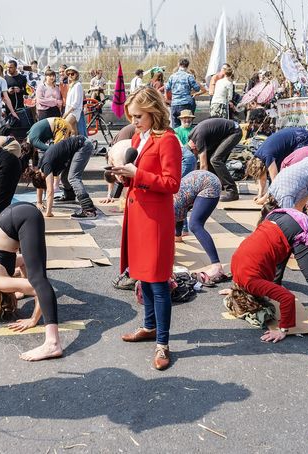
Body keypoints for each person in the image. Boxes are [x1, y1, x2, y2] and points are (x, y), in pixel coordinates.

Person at [110, 87, 182, 371]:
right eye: (132, 116)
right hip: (137, 212)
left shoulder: (169, 140)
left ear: (153, 111)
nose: (134, 121)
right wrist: (123, 176)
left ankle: (162, 343)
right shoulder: (139, 137)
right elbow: (136, 176)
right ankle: (150, 326)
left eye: (138, 116)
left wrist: (137, 174)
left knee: (158, 279)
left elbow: (172, 183)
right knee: (142, 276)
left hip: (155, 218)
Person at [221, 208, 308, 356]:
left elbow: (287, 298)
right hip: (277, 217)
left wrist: (283, 329)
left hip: (297, 227)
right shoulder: (236, 275)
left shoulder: (251, 283)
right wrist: (234, 290)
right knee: (275, 266)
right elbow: (252, 267)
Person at [0, 202, 63, 361]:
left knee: (38, 281)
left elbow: (38, 288)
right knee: (37, 276)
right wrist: (21, 287)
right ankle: (53, 342)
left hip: (24, 217)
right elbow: (24, 261)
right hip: (20, 211)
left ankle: (53, 343)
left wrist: (33, 319)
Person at [174, 170, 230, 286]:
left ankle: (216, 266)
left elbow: (177, 220)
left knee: (195, 225)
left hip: (208, 185)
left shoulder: (172, 205)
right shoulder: (172, 201)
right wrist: (177, 237)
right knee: (192, 223)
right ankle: (216, 264)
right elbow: (179, 220)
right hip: (203, 180)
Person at [29, 136, 96, 219]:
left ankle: (89, 210)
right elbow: (39, 185)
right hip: (76, 147)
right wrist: (39, 202)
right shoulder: (39, 170)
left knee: (73, 177)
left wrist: (48, 212)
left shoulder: (46, 166)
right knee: (64, 177)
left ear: (43, 179)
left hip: (83, 145)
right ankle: (69, 196)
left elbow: (50, 191)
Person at [246, 127, 308, 203]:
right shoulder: (258, 155)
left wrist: (263, 199)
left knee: (295, 172)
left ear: (261, 169)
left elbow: (276, 182)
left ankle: (300, 201)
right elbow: (262, 179)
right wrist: (260, 195)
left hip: (301, 137)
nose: (261, 177)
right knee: (280, 174)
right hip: (295, 134)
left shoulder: (268, 156)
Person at [187, 118, 243, 202]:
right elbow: (197, 163)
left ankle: (232, 191)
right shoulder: (192, 137)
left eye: (195, 153)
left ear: (194, 147)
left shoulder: (198, 139)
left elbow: (203, 166)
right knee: (210, 159)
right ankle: (215, 186)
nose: (196, 155)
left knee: (215, 160)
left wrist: (199, 189)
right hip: (224, 133)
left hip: (234, 131)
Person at [165, 58, 204, 128]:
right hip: (186, 103)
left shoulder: (172, 76)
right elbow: (197, 88)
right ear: (187, 66)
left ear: (178, 64)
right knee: (186, 126)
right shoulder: (189, 76)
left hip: (175, 104)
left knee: (176, 127)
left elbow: (167, 88)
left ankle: (176, 138)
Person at [62, 66, 85, 136]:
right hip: (70, 111)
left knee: (64, 126)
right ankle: (77, 144)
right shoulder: (72, 85)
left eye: (72, 74)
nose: (70, 75)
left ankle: (64, 145)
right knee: (73, 131)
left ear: (76, 74)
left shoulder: (78, 85)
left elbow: (76, 102)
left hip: (74, 112)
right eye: (68, 74)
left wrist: (66, 113)